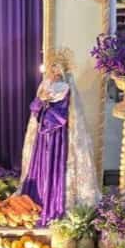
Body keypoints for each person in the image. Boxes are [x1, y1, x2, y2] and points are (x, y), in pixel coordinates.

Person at [18, 49, 100, 225]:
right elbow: (34, 108)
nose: (54, 71)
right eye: (52, 67)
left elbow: (61, 115)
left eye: (57, 68)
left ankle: (53, 200)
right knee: (40, 164)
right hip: (42, 136)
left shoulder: (65, 88)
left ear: (63, 70)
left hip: (56, 136)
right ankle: (36, 197)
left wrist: (46, 106)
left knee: (54, 165)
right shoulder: (45, 85)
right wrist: (41, 101)